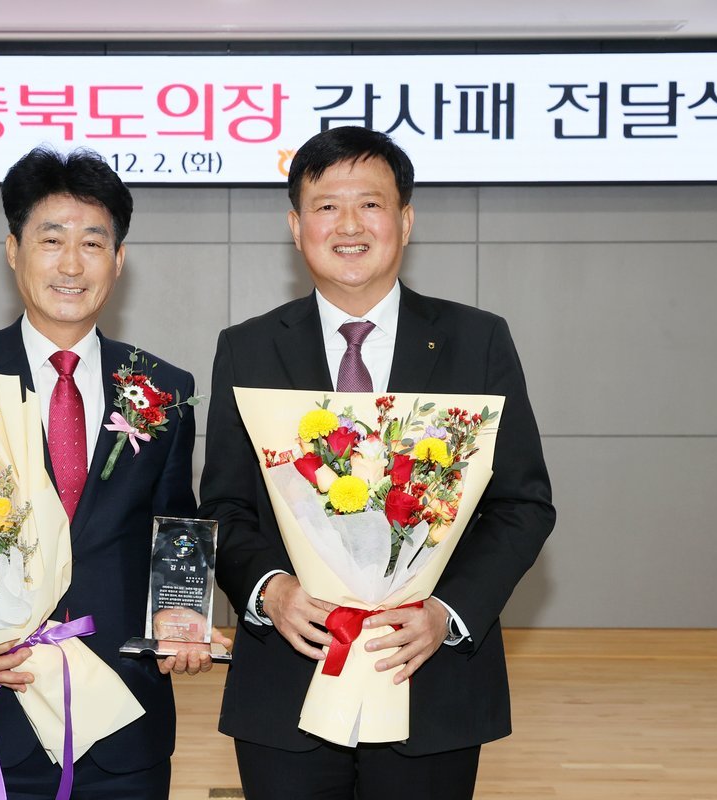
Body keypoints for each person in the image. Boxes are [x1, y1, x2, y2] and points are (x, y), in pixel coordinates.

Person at [197, 126, 555, 799]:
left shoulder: (476, 341)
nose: (349, 225)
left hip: (428, 673)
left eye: (370, 203)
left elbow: (522, 504)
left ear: (405, 220)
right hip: (289, 674)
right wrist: (271, 590)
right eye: (326, 206)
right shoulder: (247, 348)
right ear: (296, 226)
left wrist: (447, 612)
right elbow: (224, 504)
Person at [0, 146, 228, 800]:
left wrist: (183, 617)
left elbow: (175, 524)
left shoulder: (162, 388)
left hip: (121, 720)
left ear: (119, 260)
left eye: (93, 243)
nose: (72, 264)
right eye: (51, 240)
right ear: (13, 250)